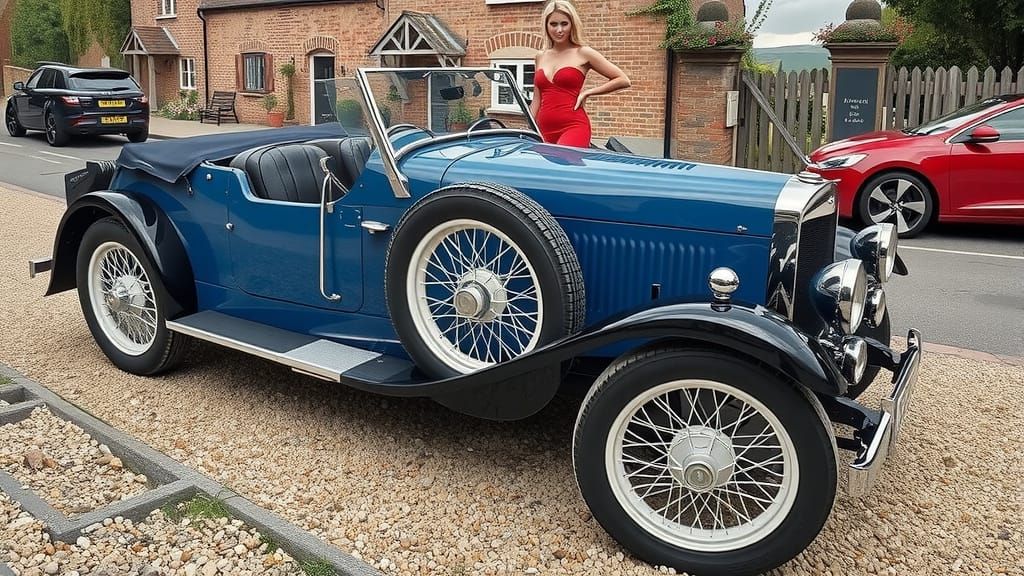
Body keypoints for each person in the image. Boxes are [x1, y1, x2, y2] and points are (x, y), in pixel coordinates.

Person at [530, 0, 631, 147]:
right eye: (553, 24)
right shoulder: (541, 56)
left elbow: (623, 79)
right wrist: (529, 128)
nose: (559, 30)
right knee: (546, 170)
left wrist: (588, 92)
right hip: (544, 130)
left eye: (564, 24)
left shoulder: (583, 53)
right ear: (546, 26)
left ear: (572, 25)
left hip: (573, 127)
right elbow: (536, 100)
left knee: (565, 164)